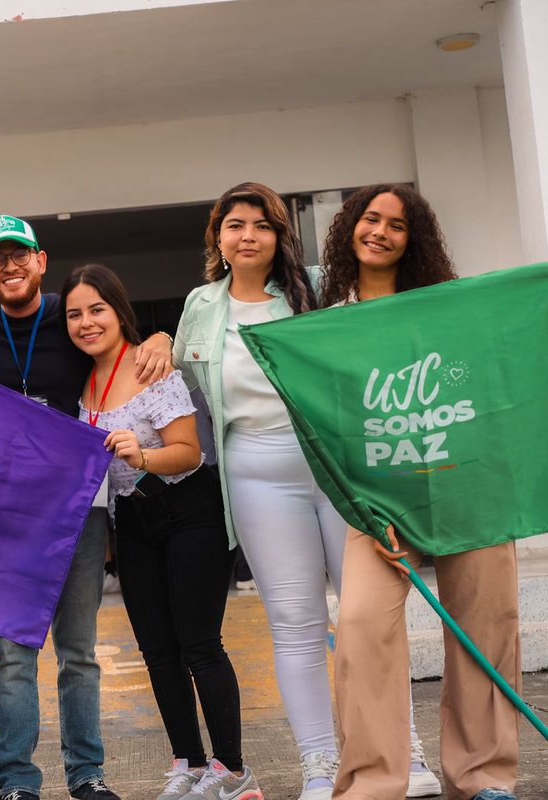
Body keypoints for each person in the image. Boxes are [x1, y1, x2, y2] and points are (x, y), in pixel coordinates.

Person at [148, 182, 431, 800]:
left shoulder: (317, 287)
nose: (248, 236)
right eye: (235, 225)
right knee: (296, 624)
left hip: (336, 467)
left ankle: (403, 751)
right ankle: (319, 767)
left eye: (262, 225)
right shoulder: (201, 304)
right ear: (218, 238)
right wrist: (159, 340)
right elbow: (184, 384)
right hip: (257, 474)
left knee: (369, 617)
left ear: (280, 236)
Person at [0, 214, 172, 800]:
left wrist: (163, 336)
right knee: (13, 654)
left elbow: (119, 337)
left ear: (41, 260)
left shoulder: (70, 315)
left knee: (78, 652)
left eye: (21, 255)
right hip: (3, 515)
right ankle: (17, 780)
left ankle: (87, 774)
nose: (11, 267)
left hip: (76, 509)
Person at [325, 186, 519, 800]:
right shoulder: (327, 318)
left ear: (415, 241)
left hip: (469, 485)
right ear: (349, 228)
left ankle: (484, 777)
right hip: (377, 498)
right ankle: (372, 782)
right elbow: (327, 425)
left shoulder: (447, 309)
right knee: (359, 623)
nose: (380, 232)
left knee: (487, 622)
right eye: (370, 219)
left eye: (398, 225)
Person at [62, 263, 262, 800]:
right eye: (75, 314)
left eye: (97, 309)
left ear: (119, 310)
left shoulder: (151, 365)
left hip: (188, 508)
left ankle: (234, 772)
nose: (86, 322)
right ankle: (190, 764)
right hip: (132, 519)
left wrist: (142, 455)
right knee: (156, 651)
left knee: (199, 644)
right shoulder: (80, 380)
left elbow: (189, 452)